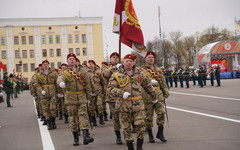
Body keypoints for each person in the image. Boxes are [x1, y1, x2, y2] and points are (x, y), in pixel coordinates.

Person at [108, 54, 157, 150]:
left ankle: (139, 146)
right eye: (127, 61)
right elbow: (110, 89)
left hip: (138, 105)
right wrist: (121, 93)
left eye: (131, 61)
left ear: (134, 63)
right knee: (126, 128)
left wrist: (154, 96)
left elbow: (148, 85)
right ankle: (130, 147)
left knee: (141, 126)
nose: (129, 62)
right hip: (123, 106)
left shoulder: (140, 74)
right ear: (123, 62)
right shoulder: (116, 75)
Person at [57, 53, 94, 146]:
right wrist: (61, 82)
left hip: (81, 96)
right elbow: (60, 78)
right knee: (73, 119)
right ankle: (76, 138)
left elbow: (87, 84)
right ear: (67, 61)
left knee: (83, 116)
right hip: (70, 98)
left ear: (75, 60)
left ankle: (85, 136)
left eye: (73, 58)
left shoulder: (82, 71)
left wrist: (89, 97)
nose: (72, 60)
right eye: (70, 59)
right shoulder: (65, 72)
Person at [141, 51, 169, 143]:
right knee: (148, 116)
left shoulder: (158, 70)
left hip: (158, 94)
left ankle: (160, 133)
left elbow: (163, 82)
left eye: (152, 57)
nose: (151, 58)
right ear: (145, 59)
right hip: (147, 95)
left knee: (161, 113)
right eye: (149, 57)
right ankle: (150, 135)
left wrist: (165, 91)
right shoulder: (141, 70)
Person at [102, 52, 123, 145]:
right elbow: (105, 74)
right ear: (110, 59)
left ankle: (128, 134)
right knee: (115, 117)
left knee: (125, 116)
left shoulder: (123, 68)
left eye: (117, 57)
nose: (115, 59)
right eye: (113, 57)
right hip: (112, 97)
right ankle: (118, 136)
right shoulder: (107, 68)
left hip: (123, 96)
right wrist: (115, 68)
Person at [35, 59, 60, 130]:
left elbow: (57, 83)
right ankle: (49, 123)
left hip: (53, 93)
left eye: (47, 64)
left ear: (49, 65)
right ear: (42, 66)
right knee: (46, 109)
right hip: (44, 95)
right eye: (44, 64)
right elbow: (37, 84)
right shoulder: (39, 74)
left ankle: (53, 122)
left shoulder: (54, 73)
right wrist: (41, 90)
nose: (45, 65)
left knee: (53, 108)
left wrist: (59, 92)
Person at [88, 60, 105, 125]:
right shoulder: (87, 72)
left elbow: (102, 82)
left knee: (100, 105)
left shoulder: (98, 72)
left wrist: (103, 91)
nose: (91, 65)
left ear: (94, 65)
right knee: (92, 107)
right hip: (91, 91)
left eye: (92, 64)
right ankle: (94, 120)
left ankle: (101, 119)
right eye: (90, 64)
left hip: (98, 91)